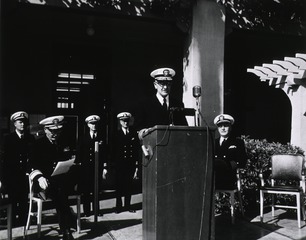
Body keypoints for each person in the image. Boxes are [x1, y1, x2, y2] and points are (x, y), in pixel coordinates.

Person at [28, 115, 76, 240]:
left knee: (62, 190)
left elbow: (67, 160)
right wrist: (39, 177)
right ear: (45, 130)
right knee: (61, 193)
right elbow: (31, 165)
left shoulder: (63, 143)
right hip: (44, 183)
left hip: (61, 181)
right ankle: (66, 229)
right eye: (52, 131)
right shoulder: (38, 145)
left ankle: (67, 224)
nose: (55, 134)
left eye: (58, 130)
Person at [1, 111, 35, 226]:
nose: (22, 124)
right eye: (20, 122)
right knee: (13, 200)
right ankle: (12, 223)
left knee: (24, 200)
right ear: (14, 124)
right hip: (12, 176)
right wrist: (3, 178)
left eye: (24, 122)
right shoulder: (8, 139)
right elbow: (4, 160)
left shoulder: (30, 138)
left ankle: (22, 221)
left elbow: (32, 157)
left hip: (25, 176)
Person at [134, 67, 188, 136]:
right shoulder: (144, 105)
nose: (165, 87)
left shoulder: (178, 104)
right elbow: (139, 130)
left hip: (175, 144)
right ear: (155, 85)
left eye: (168, 83)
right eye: (162, 83)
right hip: (153, 145)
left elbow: (184, 127)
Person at [78, 115, 107, 217]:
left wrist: (104, 167)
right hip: (86, 168)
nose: (94, 126)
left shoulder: (101, 137)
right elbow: (79, 154)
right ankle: (86, 211)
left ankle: (96, 210)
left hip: (97, 167)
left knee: (96, 190)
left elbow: (104, 153)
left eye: (95, 124)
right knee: (86, 191)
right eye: (91, 123)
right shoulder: (83, 137)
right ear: (88, 125)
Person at [113, 112, 140, 213]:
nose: (125, 123)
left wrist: (136, 165)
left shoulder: (133, 133)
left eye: (127, 121)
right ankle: (118, 206)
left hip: (130, 163)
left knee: (129, 185)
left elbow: (136, 149)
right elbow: (113, 150)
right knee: (119, 185)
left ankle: (128, 206)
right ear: (120, 122)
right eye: (123, 121)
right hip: (120, 164)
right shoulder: (116, 134)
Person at [213, 114, 247, 190]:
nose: (223, 128)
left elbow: (242, 161)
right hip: (213, 177)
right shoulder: (213, 143)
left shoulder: (238, 142)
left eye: (226, 125)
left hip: (229, 177)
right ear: (218, 128)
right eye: (220, 126)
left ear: (230, 127)